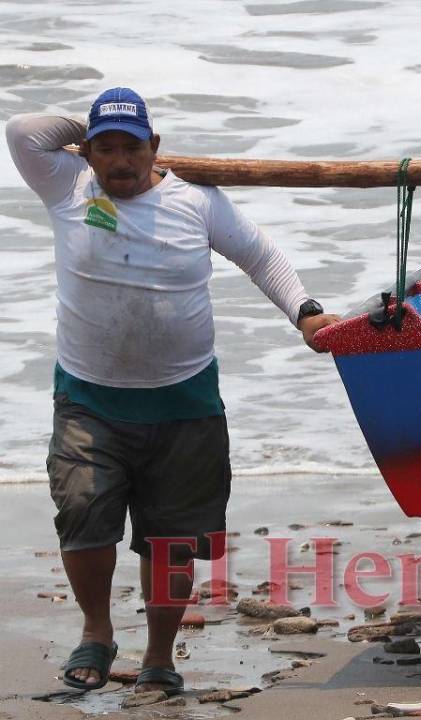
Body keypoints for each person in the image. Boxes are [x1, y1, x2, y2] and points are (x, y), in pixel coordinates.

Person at [6, 88, 339, 694]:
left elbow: (260, 256)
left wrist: (306, 312)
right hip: (89, 398)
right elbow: (23, 129)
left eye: (131, 146)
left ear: (154, 148)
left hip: (184, 402)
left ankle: (160, 658)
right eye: (104, 149)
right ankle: (97, 632)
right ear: (87, 154)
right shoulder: (67, 189)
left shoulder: (197, 201)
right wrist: (99, 121)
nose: (119, 161)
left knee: (171, 544)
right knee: (82, 513)